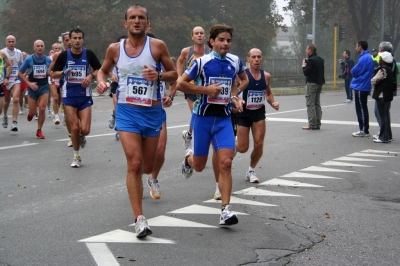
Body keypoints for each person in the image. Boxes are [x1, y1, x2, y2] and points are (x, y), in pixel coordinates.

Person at [96, 5, 177, 238]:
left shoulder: (157, 46)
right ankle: (139, 218)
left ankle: (144, 182)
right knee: (134, 163)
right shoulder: (115, 49)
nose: (137, 21)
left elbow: (175, 75)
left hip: (151, 113)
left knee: (148, 167)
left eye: (141, 17)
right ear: (126, 23)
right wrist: (101, 82)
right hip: (126, 112)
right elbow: (102, 71)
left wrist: (159, 75)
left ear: (147, 23)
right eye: (132, 18)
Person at [177, 24, 247, 226]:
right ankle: (187, 159)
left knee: (226, 163)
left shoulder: (235, 61)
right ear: (212, 42)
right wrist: (205, 90)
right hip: (203, 119)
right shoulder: (201, 62)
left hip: (224, 120)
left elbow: (242, 80)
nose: (226, 43)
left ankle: (225, 210)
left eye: (228, 40)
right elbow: (182, 83)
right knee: (199, 166)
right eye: (222, 40)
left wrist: (235, 96)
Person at [52, 28, 102, 167]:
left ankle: (81, 137)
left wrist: (90, 76)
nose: (77, 40)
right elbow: (53, 74)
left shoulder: (88, 54)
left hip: (85, 96)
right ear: (70, 40)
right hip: (69, 96)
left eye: (80, 38)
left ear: (83, 39)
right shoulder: (64, 55)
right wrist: (64, 72)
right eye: (74, 38)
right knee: (74, 127)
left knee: (85, 130)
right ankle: (76, 156)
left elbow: (99, 69)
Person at [236, 48, 279, 183]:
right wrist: (237, 100)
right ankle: (231, 144)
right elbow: (233, 92)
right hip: (243, 113)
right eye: (253, 57)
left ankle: (251, 170)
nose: (256, 60)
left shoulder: (266, 76)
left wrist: (273, 102)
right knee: (243, 148)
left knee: (259, 144)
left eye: (259, 57)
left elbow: (268, 93)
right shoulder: (242, 76)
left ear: (262, 59)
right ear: (248, 59)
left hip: (258, 113)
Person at [173, 26, 210, 150]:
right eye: (196, 33)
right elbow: (179, 61)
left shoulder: (210, 51)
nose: (199, 35)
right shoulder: (186, 51)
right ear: (192, 36)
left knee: (198, 116)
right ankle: (196, 149)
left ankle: (188, 135)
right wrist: (179, 76)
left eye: (201, 33)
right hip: (190, 87)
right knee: (197, 115)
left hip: (205, 88)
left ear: (204, 36)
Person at [18, 40, 52, 139]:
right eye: (38, 46)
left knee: (42, 108)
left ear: (44, 48)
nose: (40, 48)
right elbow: (20, 73)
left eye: (41, 46)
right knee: (32, 112)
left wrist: (52, 75)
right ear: (34, 48)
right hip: (32, 87)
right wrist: (28, 83)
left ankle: (39, 130)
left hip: (44, 87)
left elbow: (51, 72)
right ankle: (31, 114)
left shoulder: (48, 60)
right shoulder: (29, 59)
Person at [49, 32, 73, 146]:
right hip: (65, 86)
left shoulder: (84, 53)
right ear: (63, 42)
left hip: (81, 88)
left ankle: (79, 133)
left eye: (70, 39)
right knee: (68, 112)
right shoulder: (58, 55)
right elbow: (51, 70)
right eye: (66, 40)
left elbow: (93, 69)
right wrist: (54, 77)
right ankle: (71, 136)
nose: (68, 42)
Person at [373, 41, 398, 141]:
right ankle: (386, 133)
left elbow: (375, 79)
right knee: (385, 113)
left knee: (381, 113)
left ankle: (383, 133)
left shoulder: (385, 66)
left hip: (383, 91)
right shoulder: (392, 61)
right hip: (389, 90)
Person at [350, 41, 374, 137]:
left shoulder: (364, 58)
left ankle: (364, 130)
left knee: (361, 108)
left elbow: (355, 71)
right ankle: (364, 129)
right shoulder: (368, 57)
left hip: (361, 85)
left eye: (356, 46)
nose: (356, 48)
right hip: (364, 84)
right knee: (362, 107)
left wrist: (353, 71)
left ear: (360, 47)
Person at [2, 35, 24, 131]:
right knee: (6, 102)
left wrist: (23, 75)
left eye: (13, 41)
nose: (11, 43)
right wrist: (5, 66)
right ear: (6, 43)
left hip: (15, 79)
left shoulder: (19, 53)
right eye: (9, 41)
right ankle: (5, 115)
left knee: (15, 99)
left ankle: (14, 122)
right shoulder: (2, 52)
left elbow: (22, 66)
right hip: (5, 79)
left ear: (15, 42)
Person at [371, 51, 394, 143]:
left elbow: (374, 80)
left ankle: (383, 137)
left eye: (380, 58)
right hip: (387, 95)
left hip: (381, 95)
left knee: (382, 116)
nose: (378, 59)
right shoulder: (389, 69)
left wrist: (372, 79)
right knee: (386, 116)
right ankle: (388, 135)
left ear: (383, 60)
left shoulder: (382, 70)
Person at [301, 43, 325, 130]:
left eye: (307, 49)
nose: (306, 51)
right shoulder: (320, 59)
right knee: (317, 103)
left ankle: (312, 124)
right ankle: (318, 123)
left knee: (310, 103)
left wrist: (304, 66)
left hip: (312, 83)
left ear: (310, 50)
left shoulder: (310, 60)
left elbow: (306, 72)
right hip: (319, 83)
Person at [48, 42, 62, 124]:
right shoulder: (49, 58)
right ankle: (56, 116)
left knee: (60, 98)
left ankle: (56, 110)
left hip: (60, 80)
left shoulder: (63, 57)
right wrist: (51, 77)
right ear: (52, 50)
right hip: (52, 80)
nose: (57, 50)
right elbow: (48, 70)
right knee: (55, 97)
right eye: (55, 49)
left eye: (58, 49)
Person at [0, 51, 12, 120]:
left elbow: (10, 65)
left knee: (0, 110)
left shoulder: (2, 54)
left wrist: (6, 78)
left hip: (0, 83)